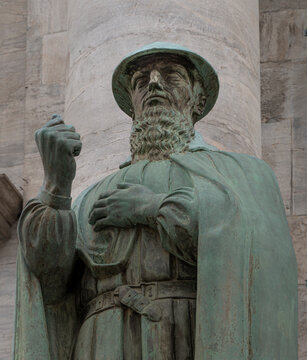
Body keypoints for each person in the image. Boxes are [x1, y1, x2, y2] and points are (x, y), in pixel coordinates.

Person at [14, 43, 298, 360]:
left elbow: (254, 251)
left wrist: (151, 208)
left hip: (189, 333)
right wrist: (57, 183)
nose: (153, 84)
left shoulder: (242, 175)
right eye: (140, 80)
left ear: (199, 99)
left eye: (170, 74)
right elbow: (49, 281)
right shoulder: (89, 196)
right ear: (132, 105)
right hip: (101, 342)